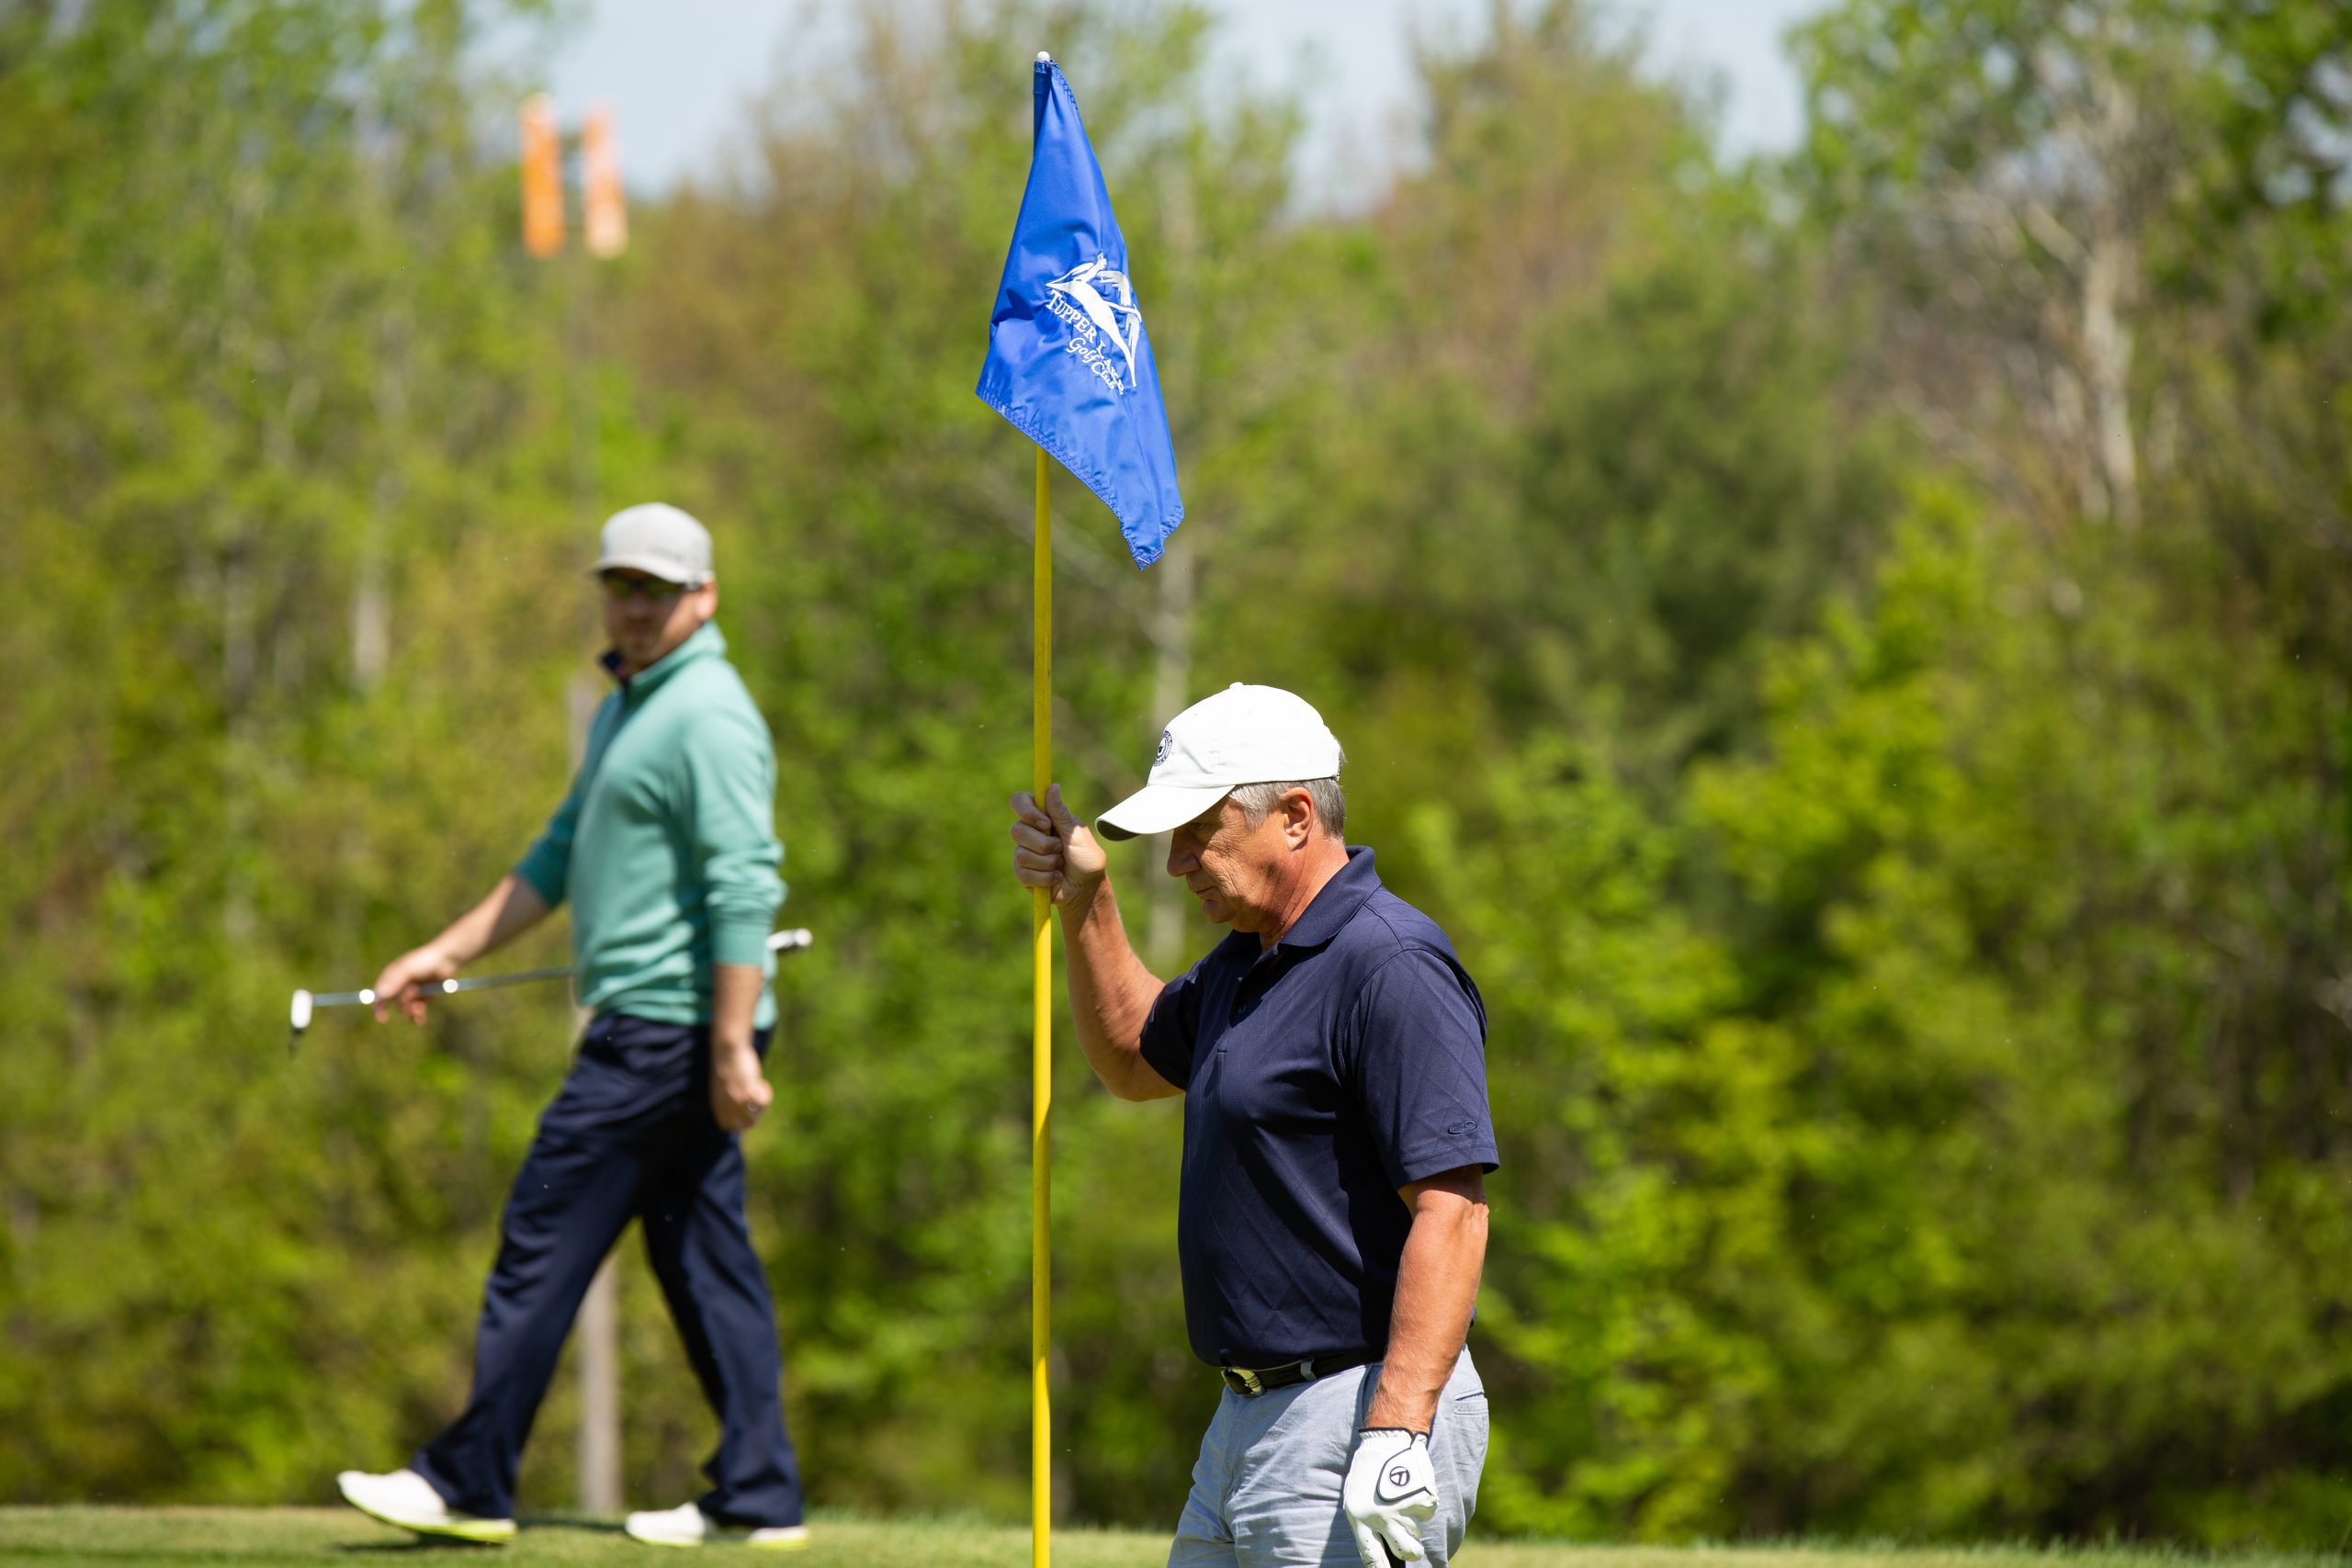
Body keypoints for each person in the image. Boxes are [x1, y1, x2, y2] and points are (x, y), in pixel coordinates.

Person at [335, 502, 809, 1551]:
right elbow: (558, 854)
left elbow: (743, 888)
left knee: (541, 1234)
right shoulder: (631, 707)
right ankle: (760, 1491)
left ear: (704, 598)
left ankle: (468, 1480)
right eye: (620, 586)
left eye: (656, 589)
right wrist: (444, 951)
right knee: (700, 1255)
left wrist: (731, 1043)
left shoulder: (709, 717)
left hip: (668, 1030)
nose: (634, 607)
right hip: (671, 1029)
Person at [1007, 683, 1497, 1568]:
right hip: (1244, 1419)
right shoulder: (1248, 960)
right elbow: (1129, 1054)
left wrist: (1395, 1426)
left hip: (1357, 1407)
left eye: (1200, 831)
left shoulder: (1392, 962)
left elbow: (1453, 1210)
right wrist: (1086, 898)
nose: (1178, 862)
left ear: (1297, 817)